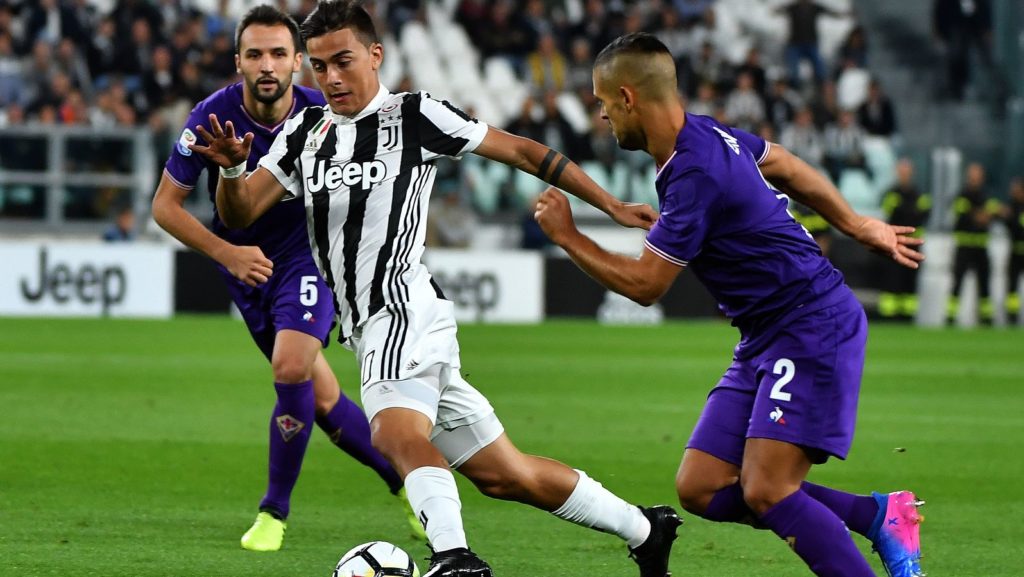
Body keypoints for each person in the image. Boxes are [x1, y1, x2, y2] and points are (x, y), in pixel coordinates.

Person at [189, 3, 679, 577]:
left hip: (400, 308)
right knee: (505, 474)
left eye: (344, 61)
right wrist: (230, 171)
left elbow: (522, 150)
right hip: (371, 325)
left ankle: (455, 557)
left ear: (375, 55)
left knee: (395, 434)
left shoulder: (413, 115)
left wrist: (611, 205)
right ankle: (645, 530)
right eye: (319, 67)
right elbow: (241, 213)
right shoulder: (304, 132)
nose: (332, 78)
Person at [534, 33, 927, 577]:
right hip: (766, 333)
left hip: (810, 324)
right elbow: (783, 162)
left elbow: (647, 285)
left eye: (603, 102)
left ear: (627, 97)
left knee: (767, 488)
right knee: (702, 486)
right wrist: (854, 223)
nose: (601, 116)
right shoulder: (703, 134)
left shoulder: (695, 172)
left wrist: (568, 236)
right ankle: (877, 515)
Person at [150, 5, 422, 552]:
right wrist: (226, 253)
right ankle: (405, 480)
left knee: (291, 366)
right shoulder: (211, 116)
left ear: (299, 61)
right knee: (319, 399)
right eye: (255, 55)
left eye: (279, 54)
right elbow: (164, 206)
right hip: (247, 266)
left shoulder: (326, 112)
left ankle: (273, 512)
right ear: (238, 62)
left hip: (306, 257)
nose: (267, 65)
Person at [947, 162, 1000, 326]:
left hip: (981, 247)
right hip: (964, 247)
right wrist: (980, 214)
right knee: (957, 283)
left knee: (985, 284)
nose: (975, 179)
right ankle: (950, 317)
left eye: (977, 176)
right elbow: (967, 214)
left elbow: (995, 213)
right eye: (972, 176)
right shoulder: (962, 195)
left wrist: (981, 214)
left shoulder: (987, 195)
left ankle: (986, 318)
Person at [878, 159, 931, 321]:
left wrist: (902, 210)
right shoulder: (891, 193)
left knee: (910, 280)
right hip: (893, 243)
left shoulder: (920, 195)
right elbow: (889, 211)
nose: (904, 175)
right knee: (891, 278)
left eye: (906, 171)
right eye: (902, 171)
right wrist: (909, 212)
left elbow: (923, 215)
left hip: (913, 244)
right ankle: (888, 315)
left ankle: (908, 315)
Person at [1000, 177, 1024, 325]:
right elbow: (1011, 227)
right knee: (1012, 286)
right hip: (1015, 251)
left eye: (1016, 190)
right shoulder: (1012, 207)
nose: (1013, 193)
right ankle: (1012, 316)